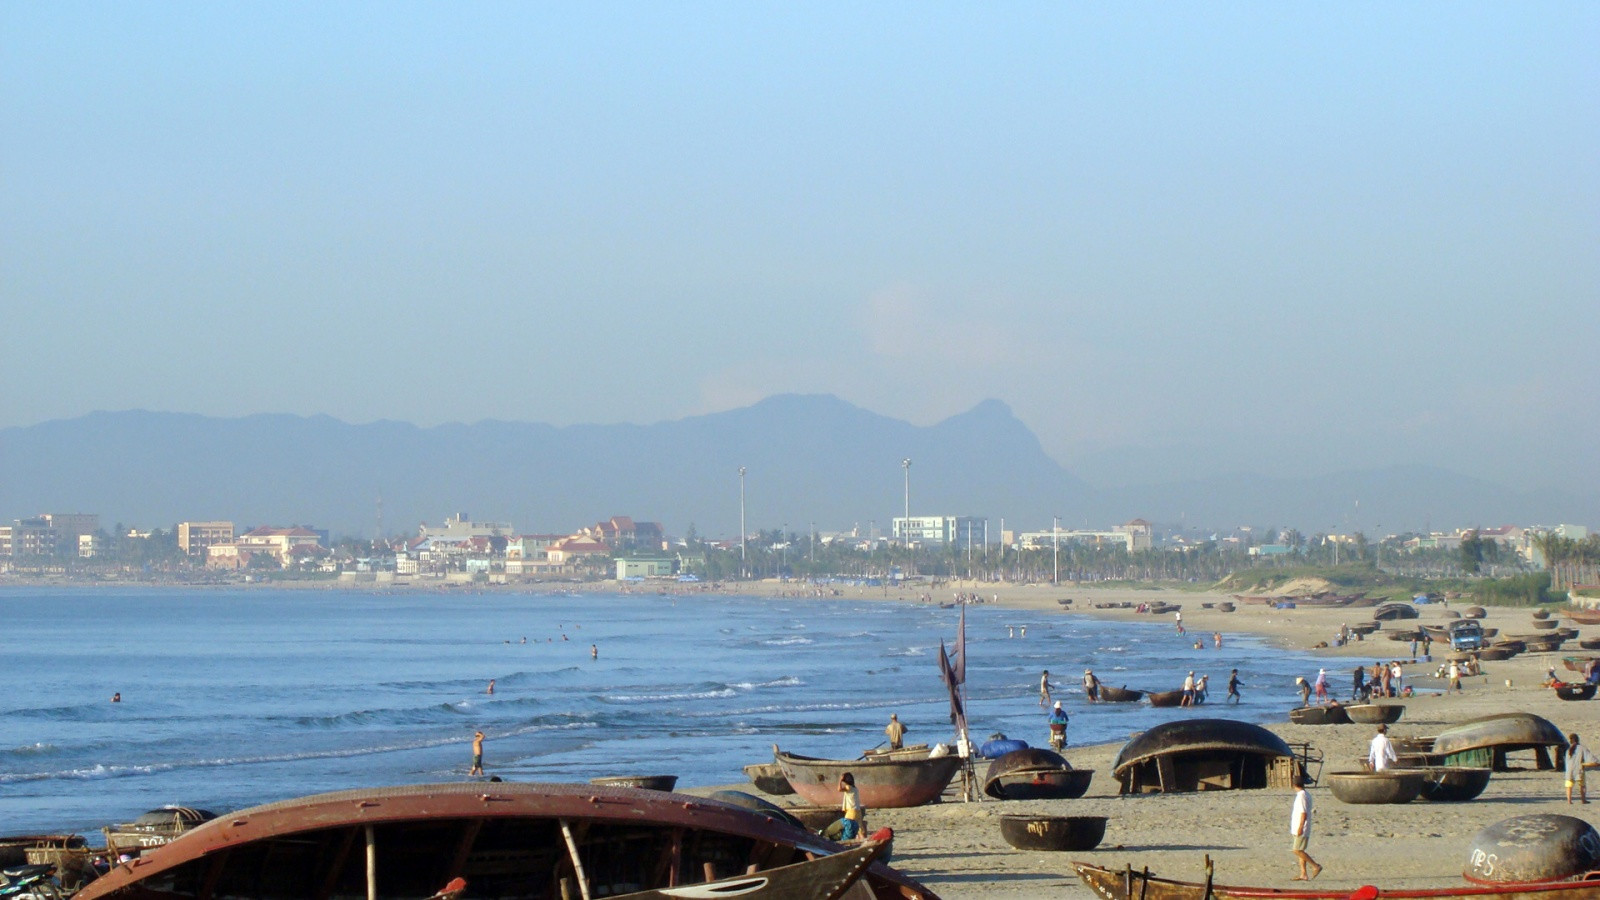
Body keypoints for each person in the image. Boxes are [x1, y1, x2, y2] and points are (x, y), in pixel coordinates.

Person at [1290, 773, 1321, 881]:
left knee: (1296, 850)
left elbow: (1304, 813)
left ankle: (1315, 866)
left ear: (1294, 785)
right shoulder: (1303, 794)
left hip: (1301, 827)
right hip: (1298, 826)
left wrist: (1300, 827)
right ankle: (1303, 874)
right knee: (1301, 850)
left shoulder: (1302, 796)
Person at [1565, 733, 1600, 804]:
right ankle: (1583, 800)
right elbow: (1591, 758)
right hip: (1579, 769)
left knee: (1569, 785)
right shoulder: (1582, 748)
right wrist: (1596, 762)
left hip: (1569, 770)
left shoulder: (1568, 750)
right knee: (1582, 785)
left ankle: (1569, 801)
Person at [837, 773, 865, 841]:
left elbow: (839, 789)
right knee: (860, 829)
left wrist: (840, 780)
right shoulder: (855, 788)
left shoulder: (848, 787)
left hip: (851, 811)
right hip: (857, 810)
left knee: (847, 827)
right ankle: (863, 841)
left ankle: (846, 842)